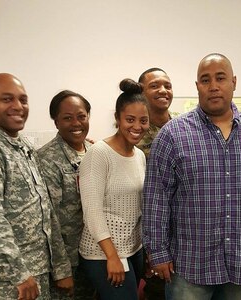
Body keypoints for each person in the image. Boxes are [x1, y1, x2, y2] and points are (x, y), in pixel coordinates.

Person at [142, 53, 241, 300]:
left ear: (234, 82)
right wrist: (158, 252)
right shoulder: (172, 136)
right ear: (197, 87)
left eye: (221, 78)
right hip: (189, 267)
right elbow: (156, 199)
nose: (214, 86)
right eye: (205, 80)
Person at [0, 73, 73, 299]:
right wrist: (19, 273)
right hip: (3, 280)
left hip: (36, 271)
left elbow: (44, 207)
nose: (18, 106)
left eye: (23, 100)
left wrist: (60, 266)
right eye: (7, 99)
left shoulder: (22, 146)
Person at [78, 78, 149, 300]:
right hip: (103, 253)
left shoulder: (139, 155)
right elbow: (92, 212)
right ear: (117, 118)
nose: (137, 127)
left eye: (143, 120)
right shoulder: (98, 154)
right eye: (130, 119)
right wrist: (112, 256)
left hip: (133, 249)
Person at [38, 90, 95, 299]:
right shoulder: (46, 159)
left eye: (81, 116)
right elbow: (48, 220)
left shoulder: (95, 151)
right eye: (67, 118)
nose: (76, 123)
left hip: (94, 255)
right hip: (68, 262)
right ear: (56, 122)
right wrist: (61, 271)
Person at [136, 67, 174, 300]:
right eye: (154, 86)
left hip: (180, 233)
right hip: (144, 233)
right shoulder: (133, 132)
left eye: (167, 85)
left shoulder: (184, 128)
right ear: (141, 92)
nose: (163, 90)